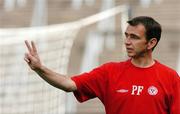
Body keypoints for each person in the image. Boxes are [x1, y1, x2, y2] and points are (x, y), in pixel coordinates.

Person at [24, 16, 180, 114]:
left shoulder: (170, 78)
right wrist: (40, 69)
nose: (127, 41)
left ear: (151, 43)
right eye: (126, 35)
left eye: (134, 37)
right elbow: (69, 84)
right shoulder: (109, 71)